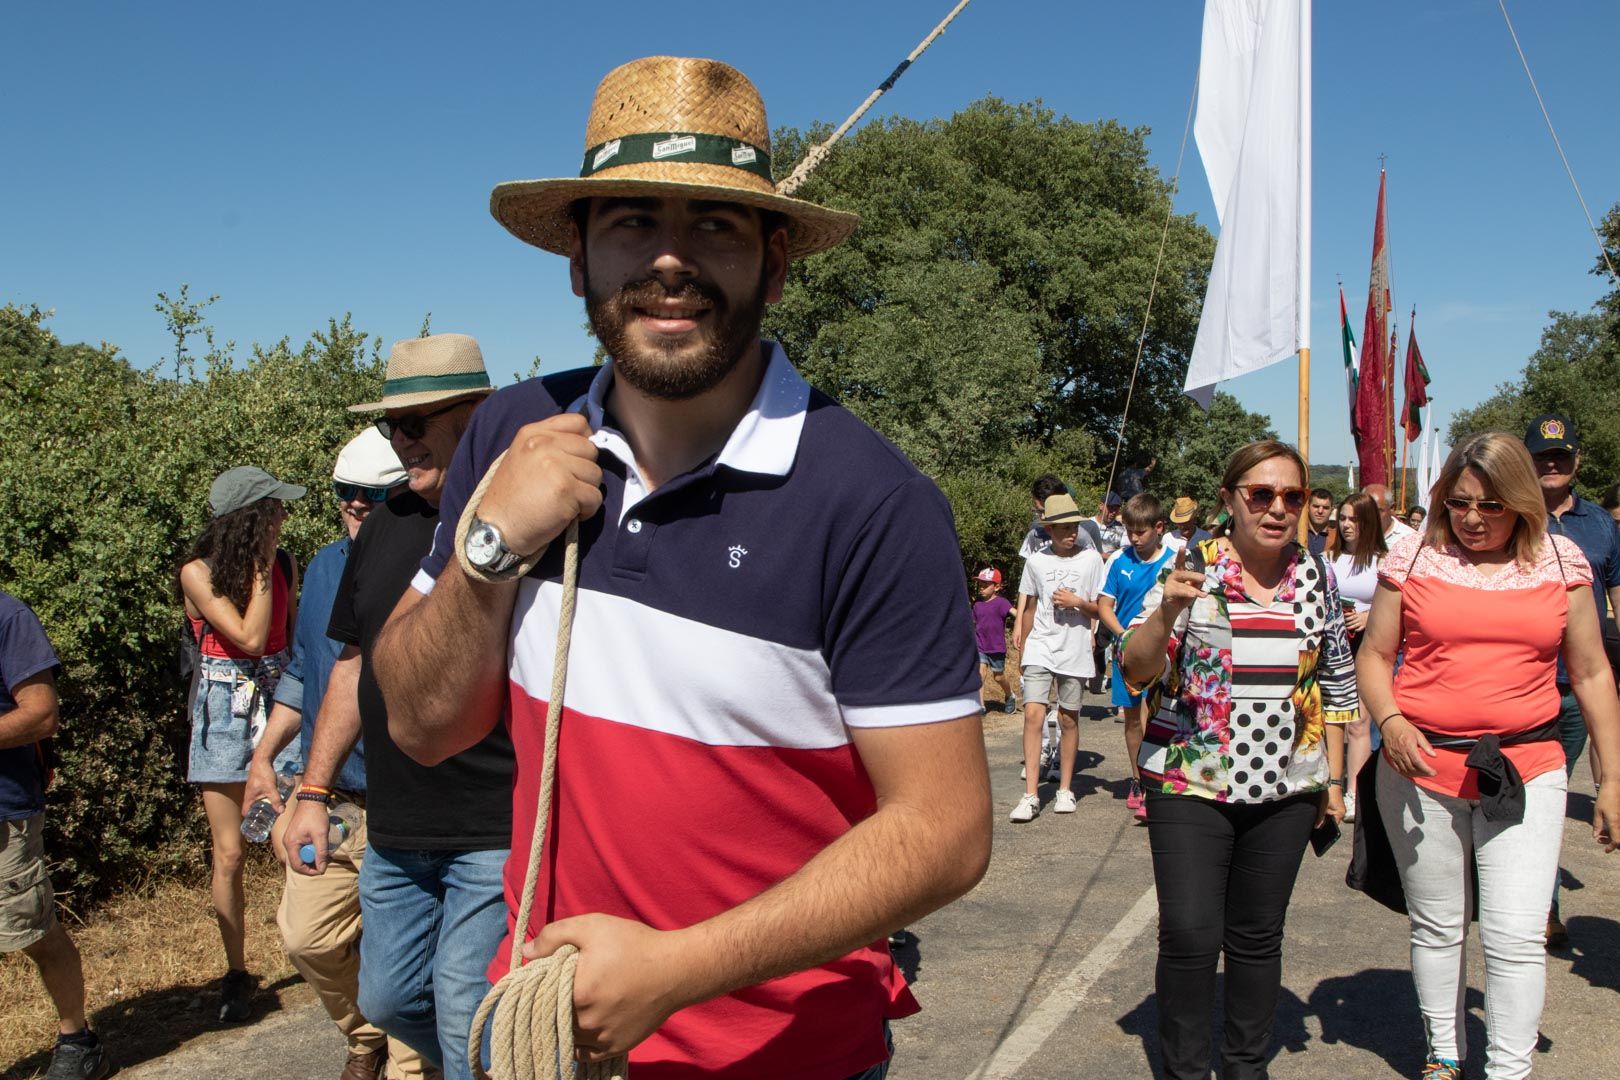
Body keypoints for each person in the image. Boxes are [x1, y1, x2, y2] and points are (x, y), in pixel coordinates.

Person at [371, 56, 991, 1079]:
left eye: (713, 224)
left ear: (775, 261)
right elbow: (424, 727)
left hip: (785, 1053)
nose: (668, 261)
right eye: (629, 223)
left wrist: (678, 970)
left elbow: (945, 830)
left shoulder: (873, 502)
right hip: (544, 1033)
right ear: (576, 258)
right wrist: (490, 549)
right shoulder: (513, 432)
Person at [1358, 432, 1620, 1080]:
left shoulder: (1561, 563)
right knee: (1439, 925)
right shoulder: (1413, 555)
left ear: (1522, 503)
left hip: (1526, 771)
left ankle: (1509, 1071)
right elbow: (1374, 656)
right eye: (1460, 503)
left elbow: (1590, 675)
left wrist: (1611, 781)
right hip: (1420, 772)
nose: (1473, 519)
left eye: (1492, 505)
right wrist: (1389, 721)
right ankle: (1444, 1054)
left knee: (1514, 934)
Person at [282, 335, 509, 1080]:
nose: (402, 438)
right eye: (392, 425)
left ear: (477, 415)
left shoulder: (526, 518)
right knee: (389, 1000)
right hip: (395, 827)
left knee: (465, 1012)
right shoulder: (385, 525)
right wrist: (311, 791)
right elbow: (348, 665)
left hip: (495, 827)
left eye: (418, 420)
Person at [1121, 440, 1353, 1080]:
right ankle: (1186, 1071)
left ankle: (1248, 1067)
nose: (1277, 508)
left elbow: (1333, 678)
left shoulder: (1315, 575)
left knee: (1256, 938)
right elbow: (1136, 672)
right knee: (1191, 935)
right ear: (1230, 500)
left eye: (1292, 497)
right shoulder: (1191, 571)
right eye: (1261, 494)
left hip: (1287, 784)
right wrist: (1167, 610)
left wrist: (1332, 783)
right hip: (1191, 776)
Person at [242, 429, 430, 1080]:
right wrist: (266, 757)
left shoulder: (434, 569)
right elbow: (304, 672)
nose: (352, 506)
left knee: (400, 964)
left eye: (368, 495)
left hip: (410, 805)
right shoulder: (322, 569)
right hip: (333, 799)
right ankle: (363, 1033)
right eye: (342, 493)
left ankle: (401, 1056)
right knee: (305, 935)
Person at [178, 465, 305, 1022]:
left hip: (278, 698)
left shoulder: (285, 563)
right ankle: (237, 971)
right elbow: (250, 636)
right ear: (253, 518)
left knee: (293, 831)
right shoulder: (197, 573)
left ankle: (312, 940)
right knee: (229, 852)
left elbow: (289, 639)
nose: (284, 516)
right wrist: (257, 567)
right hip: (224, 708)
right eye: (275, 508)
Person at [1, 591, 112, 1080]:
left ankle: (77, 1040)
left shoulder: (9, 617)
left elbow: (42, 714)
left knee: (35, 931)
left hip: (4, 811)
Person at [1521, 413, 1620, 947]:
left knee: (1551, 796)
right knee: (1529, 798)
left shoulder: (1601, 525)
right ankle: (1528, 904)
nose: (1552, 464)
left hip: (1577, 690)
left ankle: (1539, 903)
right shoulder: (1509, 517)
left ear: (1576, 460)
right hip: (1522, 686)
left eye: (1561, 456)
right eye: (1542, 456)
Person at [1012, 494, 1106, 822]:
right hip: (1041, 645)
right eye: (1063, 527)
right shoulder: (1036, 561)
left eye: (1075, 526)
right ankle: (1031, 795)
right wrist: (1021, 637)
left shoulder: (1092, 560)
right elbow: (1030, 599)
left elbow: (1102, 608)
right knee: (1033, 715)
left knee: (1068, 719)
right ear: (1049, 529)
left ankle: (1065, 788)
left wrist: (1078, 603)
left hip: (1075, 647)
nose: (1071, 533)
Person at [1098, 494, 1176, 823]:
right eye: (1130, 531)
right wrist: (1124, 635)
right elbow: (1104, 605)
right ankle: (1139, 780)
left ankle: (1162, 783)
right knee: (1133, 720)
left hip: (1167, 655)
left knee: (1159, 717)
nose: (1134, 538)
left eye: (1141, 532)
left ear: (1159, 528)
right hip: (1126, 653)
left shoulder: (1175, 561)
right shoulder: (1118, 560)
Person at [1327, 492, 1387, 823]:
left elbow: (1399, 607)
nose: (1347, 525)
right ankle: (1330, 787)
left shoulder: (1383, 560)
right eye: (1344, 519)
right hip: (1332, 646)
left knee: (1360, 723)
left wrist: (1369, 615)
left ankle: (1356, 793)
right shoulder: (1328, 557)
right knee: (1331, 721)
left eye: (1354, 519)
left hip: (1366, 646)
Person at [1016, 474, 1070, 641]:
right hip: (1040, 622)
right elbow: (1027, 586)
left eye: (1043, 511)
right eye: (1037, 511)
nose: (1041, 517)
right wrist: (1019, 622)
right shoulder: (1035, 534)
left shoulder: (1081, 534)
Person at [973, 569, 1017, 715]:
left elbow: (1016, 613)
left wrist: (1024, 624)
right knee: (981, 673)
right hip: (980, 645)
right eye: (980, 584)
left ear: (996, 587)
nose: (981, 587)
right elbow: (972, 622)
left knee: (998, 676)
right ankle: (981, 706)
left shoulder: (1001, 603)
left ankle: (1010, 695)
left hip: (996, 647)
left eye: (985, 584)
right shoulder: (977, 604)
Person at [1363, 482, 1415, 547]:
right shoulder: (1355, 535)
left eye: (1378, 511)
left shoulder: (1410, 538)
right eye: (1366, 510)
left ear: (1391, 508)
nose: (1371, 516)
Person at [1305, 487, 1335, 556]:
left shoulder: (1337, 537)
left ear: (1332, 510)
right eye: (1316, 506)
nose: (1320, 511)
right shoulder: (1295, 534)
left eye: (1325, 508)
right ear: (1308, 507)